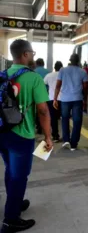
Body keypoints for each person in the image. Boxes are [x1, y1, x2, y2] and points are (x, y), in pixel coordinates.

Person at [0, 40, 52, 232]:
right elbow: (43, 111)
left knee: (10, 170)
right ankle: (10, 220)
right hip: (21, 135)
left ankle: (15, 202)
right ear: (25, 54)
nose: (32, 55)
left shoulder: (3, 75)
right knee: (19, 177)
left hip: (2, 132)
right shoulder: (33, 78)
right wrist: (48, 136)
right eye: (32, 52)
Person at [54, 54, 88, 151]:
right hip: (77, 99)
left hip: (65, 99)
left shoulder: (62, 70)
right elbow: (85, 87)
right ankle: (73, 144)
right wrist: (85, 99)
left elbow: (58, 86)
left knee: (64, 119)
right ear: (78, 61)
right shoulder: (83, 72)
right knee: (77, 121)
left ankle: (66, 140)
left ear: (69, 60)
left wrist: (55, 99)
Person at [44, 61, 63, 143]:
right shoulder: (64, 75)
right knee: (64, 118)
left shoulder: (49, 75)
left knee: (53, 119)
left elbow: (43, 83)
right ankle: (66, 137)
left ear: (54, 67)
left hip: (51, 99)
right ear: (62, 68)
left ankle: (55, 136)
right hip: (63, 99)